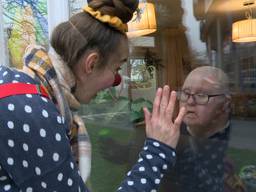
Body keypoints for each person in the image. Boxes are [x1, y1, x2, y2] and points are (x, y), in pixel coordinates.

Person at [0, 0, 186, 191]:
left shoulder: (20, 90)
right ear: (91, 64)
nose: (117, 80)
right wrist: (157, 151)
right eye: (116, 68)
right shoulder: (33, 113)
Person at [160, 66, 233, 192]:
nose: (190, 101)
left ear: (225, 103)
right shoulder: (170, 131)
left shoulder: (231, 141)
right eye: (186, 93)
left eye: (201, 95)